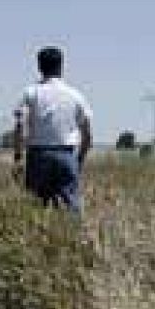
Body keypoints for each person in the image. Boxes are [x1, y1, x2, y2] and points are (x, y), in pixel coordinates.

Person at [12, 46, 93, 213]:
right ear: (61, 66)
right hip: (66, 154)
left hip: (38, 156)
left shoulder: (31, 93)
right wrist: (79, 160)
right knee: (70, 209)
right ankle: (71, 237)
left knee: (36, 208)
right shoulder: (75, 95)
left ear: (39, 67)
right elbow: (87, 133)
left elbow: (20, 124)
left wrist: (18, 157)